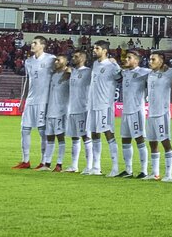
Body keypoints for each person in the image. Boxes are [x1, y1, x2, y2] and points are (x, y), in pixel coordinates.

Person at [15, 36, 54, 170]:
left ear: (42, 46)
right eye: (32, 42)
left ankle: (44, 162)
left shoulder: (51, 59)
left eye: (35, 43)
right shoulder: (28, 61)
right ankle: (25, 160)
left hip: (44, 101)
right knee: (24, 130)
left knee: (42, 132)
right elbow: (27, 80)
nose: (32, 45)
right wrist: (22, 99)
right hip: (30, 101)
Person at [85, 40, 122, 176]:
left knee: (108, 134)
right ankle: (96, 167)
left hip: (104, 105)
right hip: (93, 104)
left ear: (105, 51)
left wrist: (117, 65)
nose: (94, 50)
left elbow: (120, 78)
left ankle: (115, 168)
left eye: (97, 48)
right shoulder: (95, 64)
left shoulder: (111, 65)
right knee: (94, 133)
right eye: (94, 48)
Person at [119, 50, 151, 178]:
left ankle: (144, 171)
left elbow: (157, 72)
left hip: (136, 110)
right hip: (126, 111)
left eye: (129, 57)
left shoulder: (143, 72)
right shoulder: (124, 72)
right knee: (125, 140)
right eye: (126, 57)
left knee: (139, 140)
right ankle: (128, 170)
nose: (126, 59)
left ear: (136, 61)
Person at [145, 51, 172, 181]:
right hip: (151, 113)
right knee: (152, 143)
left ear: (161, 61)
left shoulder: (170, 73)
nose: (150, 62)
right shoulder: (149, 74)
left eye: (153, 59)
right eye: (150, 59)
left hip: (162, 113)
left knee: (165, 142)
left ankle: (168, 174)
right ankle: (155, 173)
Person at [38, 55, 71, 172]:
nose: (56, 62)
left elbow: (74, 72)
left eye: (59, 60)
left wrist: (69, 70)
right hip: (50, 111)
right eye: (55, 60)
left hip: (61, 111)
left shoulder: (69, 75)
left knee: (61, 138)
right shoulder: (53, 75)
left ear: (66, 62)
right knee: (50, 138)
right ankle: (47, 164)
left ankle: (59, 164)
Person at [64, 48, 91, 173]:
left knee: (86, 137)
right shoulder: (72, 72)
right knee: (74, 138)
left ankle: (89, 166)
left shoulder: (88, 72)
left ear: (83, 59)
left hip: (83, 109)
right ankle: (74, 166)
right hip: (72, 109)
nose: (73, 59)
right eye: (73, 57)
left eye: (76, 57)